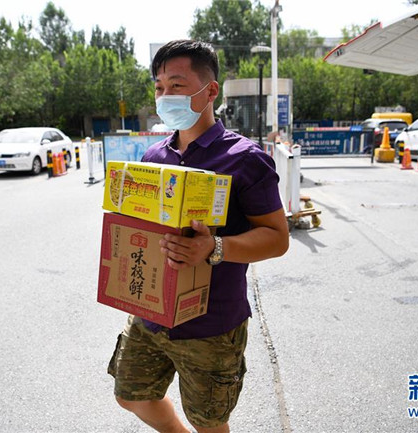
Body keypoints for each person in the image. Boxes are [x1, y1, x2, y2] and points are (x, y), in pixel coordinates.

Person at [107, 39, 289, 433]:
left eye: (176, 85)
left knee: (209, 421)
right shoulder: (154, 157)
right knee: (131, 395)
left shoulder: (246, 159)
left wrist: (215, 247)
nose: (164, 96)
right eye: (159, 87)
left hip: (212, 326)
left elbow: (277, 238)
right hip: (151, 315)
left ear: (210, 91)